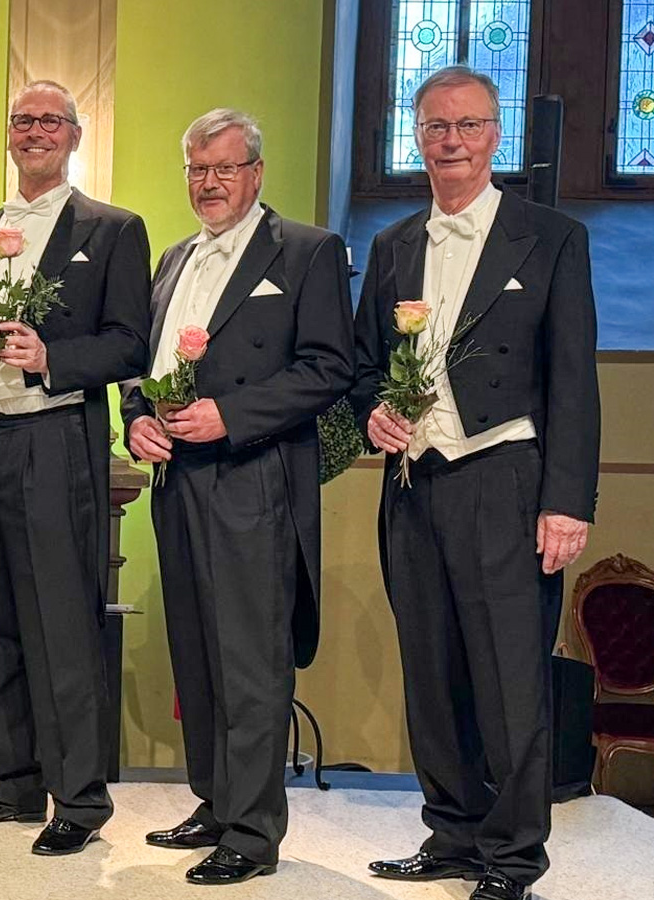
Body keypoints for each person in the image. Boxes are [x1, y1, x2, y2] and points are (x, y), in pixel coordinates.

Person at [350, 66, 599, 900]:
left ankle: (514, 856)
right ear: (416, 138)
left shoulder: (551, 237)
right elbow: (361, 369)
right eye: (435, 128)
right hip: (414, 487)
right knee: (433, 671)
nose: (451, 142)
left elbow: (573, 379)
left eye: (468, 126)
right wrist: (372, 416)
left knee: (509, 680)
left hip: (508, 483)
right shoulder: (392, 246)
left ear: (496, 136)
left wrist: (568, 502)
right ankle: (452, 833)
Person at [120, 108, 353, 885]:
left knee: (250, 659)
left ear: (256, 173)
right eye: (196, 169)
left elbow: (328, 368)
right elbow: (146, 365)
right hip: (179, 477)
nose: (208, 183)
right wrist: (136, 422)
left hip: (256, 477)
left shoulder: (310, 251)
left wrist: (232, 415)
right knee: (197, 652)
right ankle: (216, 801)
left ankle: (253, 835)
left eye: (223, 168)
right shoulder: (173, 258)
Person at [0, 79, 151, 856]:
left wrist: (53, 356)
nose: (35, 132)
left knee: (61, 626)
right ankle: (15, 780)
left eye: (50, 121)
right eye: (23, 121)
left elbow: (132, 342)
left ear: (75, 135)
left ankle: (81, 801)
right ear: (9, 134)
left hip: (52, 442)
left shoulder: (114, 228)